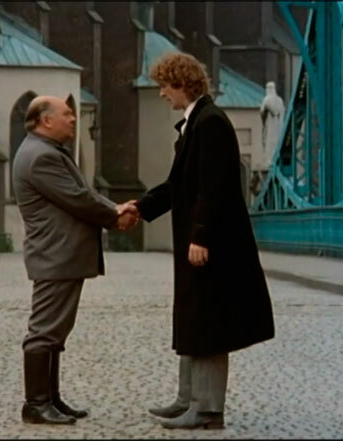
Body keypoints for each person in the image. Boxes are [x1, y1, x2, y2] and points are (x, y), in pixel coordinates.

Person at [126, 53, 275, 429]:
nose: (162, 93)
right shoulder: (197, 122)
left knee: (208, 320)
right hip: (198, 239)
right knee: (193, 316)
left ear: (183, 83)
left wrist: (201, 235)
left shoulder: (210, 123)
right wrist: (140, 207)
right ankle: (187, 399)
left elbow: (215, 187)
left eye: (165, 86)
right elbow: (178, 185)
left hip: (211, 243)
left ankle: (207, 409)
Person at [12, 95, 138, 425]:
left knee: (55, 330)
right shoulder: (41, 157)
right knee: (44, 331)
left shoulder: (45, 151)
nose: (73, 119)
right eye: (66, 113)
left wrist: (113, 209)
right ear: (45, 120)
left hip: (59, 255)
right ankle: (36, 404)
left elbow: (80, 193)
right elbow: (77, 198)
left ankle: (50, 399)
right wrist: (115, 214)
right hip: (55, 254)